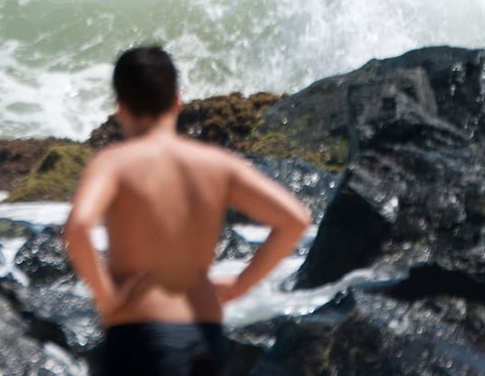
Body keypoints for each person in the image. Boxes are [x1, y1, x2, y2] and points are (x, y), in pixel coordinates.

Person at [64, 44, 311, 376]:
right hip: (204, 332)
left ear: (120, 106)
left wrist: (107, 299)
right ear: (177, 100)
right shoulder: (216, 164)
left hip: (141, 333)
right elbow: (294, 220)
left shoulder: (114, 163)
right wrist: (240, 284)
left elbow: (78, 228)